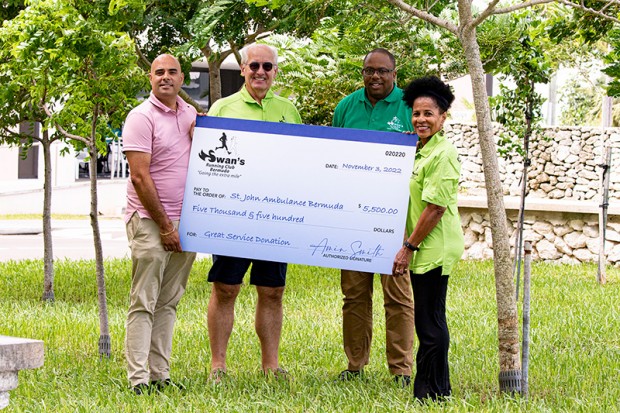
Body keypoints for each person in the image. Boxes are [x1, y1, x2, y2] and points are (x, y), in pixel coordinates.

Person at [206, 43, 302, 382]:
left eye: (267, 67)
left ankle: (271, 365)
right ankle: (218, 365)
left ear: (275, 71)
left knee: (272, 291)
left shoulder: (289, 110)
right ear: (243, 69)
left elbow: (301, 160)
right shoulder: (222, 108)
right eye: (254, 66)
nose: (261, 72)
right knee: (226, 288)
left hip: (275, 218)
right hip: (232, 217)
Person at [332, 48, 415, 386]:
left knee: (397, 295)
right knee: (354, 295)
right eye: (369, 71)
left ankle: (401, 369)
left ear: (395, 74)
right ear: (362, 73)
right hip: (352, 215)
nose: (375, 77)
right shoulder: (346, 107)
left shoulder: (409, 107)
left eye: (382, 71)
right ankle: (355, 365)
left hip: (393, 217)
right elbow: (334, 157)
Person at [122, 54, 198, 395]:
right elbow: (139, 177)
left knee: (168, 302)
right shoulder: (141, 117)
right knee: (144, 301)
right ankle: (138, 379)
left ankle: (160, 375)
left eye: (172, 72)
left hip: (187, 222)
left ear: (182, 78)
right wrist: (166, 227)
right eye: (159, 72)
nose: (165, 77)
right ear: (150, 78)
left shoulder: (190, 114)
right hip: (151, 221)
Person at [392, 75, 464, 401]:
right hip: (425, 245)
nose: (421, 119)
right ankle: (436, 389)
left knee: (430, 321)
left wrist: (408, 247)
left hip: (435, 245)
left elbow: (435, 208)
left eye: (428, 114)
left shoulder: (443, 154)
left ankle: (431, 393)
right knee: (427, 318)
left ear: (443, 117)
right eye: (416, 113)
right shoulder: (422, 150)